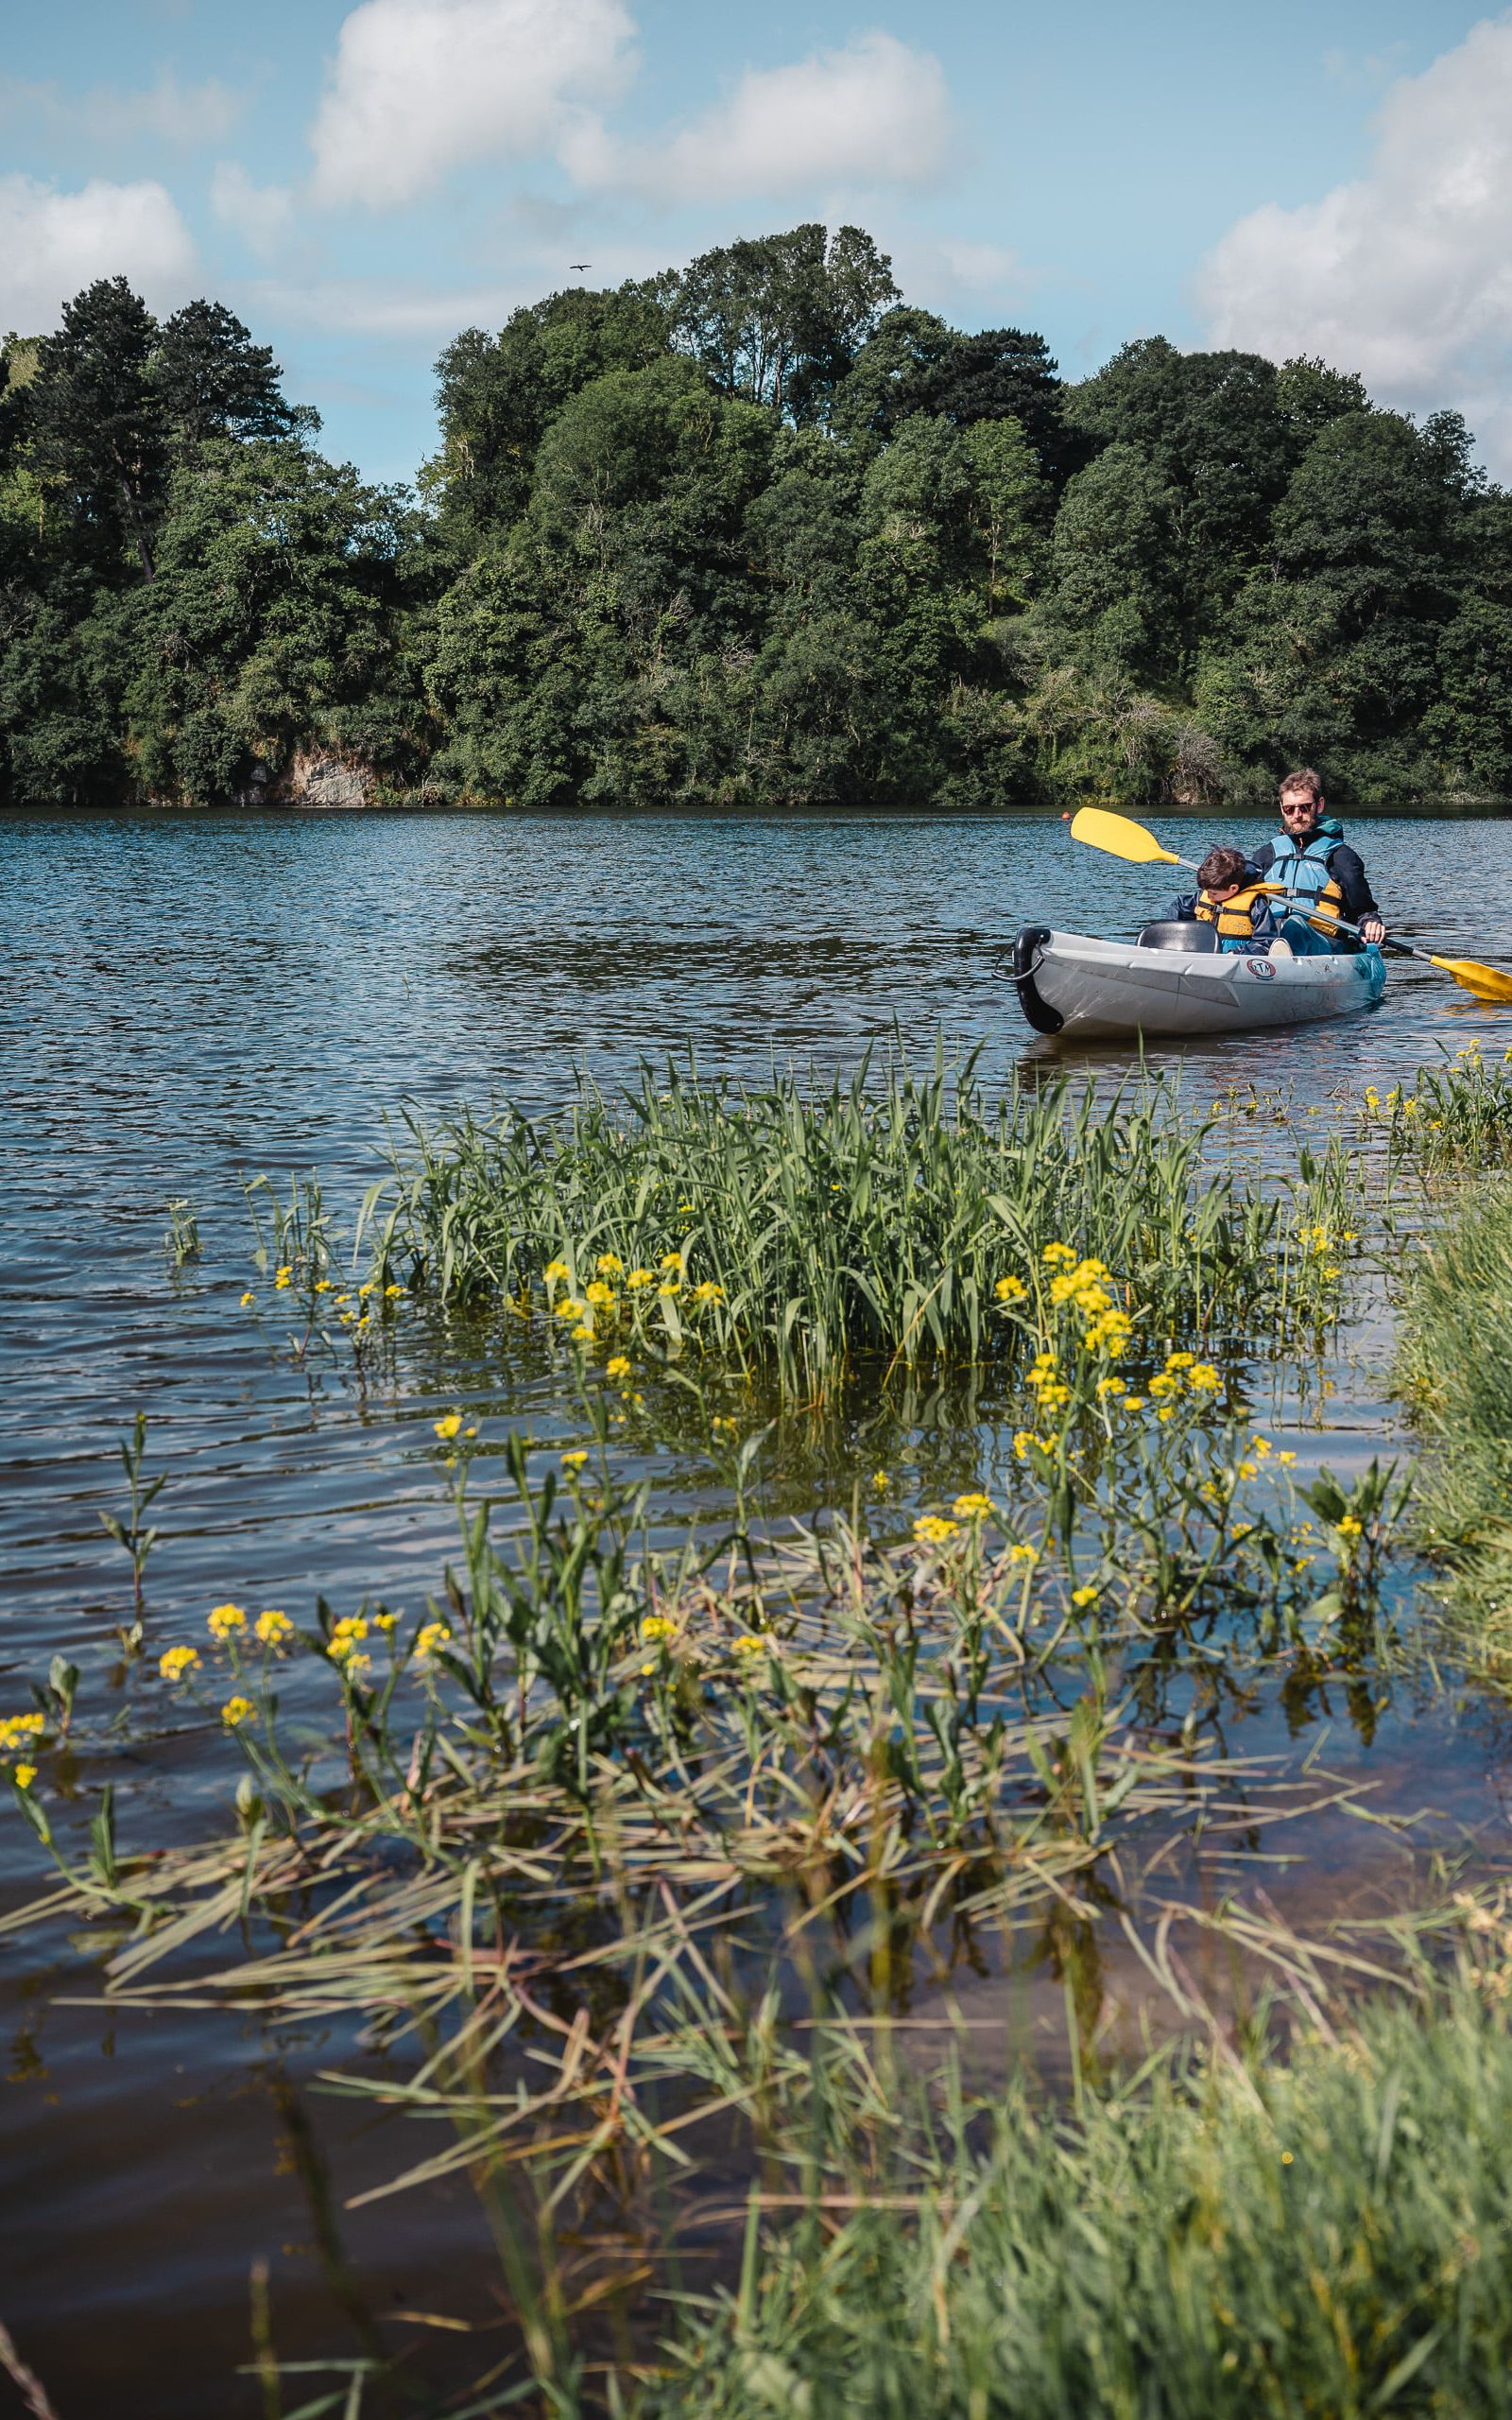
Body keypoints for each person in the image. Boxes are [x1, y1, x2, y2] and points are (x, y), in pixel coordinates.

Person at [1244, 769, 1385, 957]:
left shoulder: (1340, 856)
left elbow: (1362, 909)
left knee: (1294, 926)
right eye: (1289, 809)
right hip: (1269, 937)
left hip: (1323, 942)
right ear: (1282, 809)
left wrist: (1370, 922)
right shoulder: (1267, 854)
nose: (1297, 815)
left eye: (1304, 807)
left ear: (1319, 805)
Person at [1159, 844, 1287, 953]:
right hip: (1202, 955)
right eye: (1206, 891)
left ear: (1233, 888)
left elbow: (1265, 942)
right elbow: (1179, 906)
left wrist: (1238, 953)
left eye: (1213, 893)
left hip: (1236, 960)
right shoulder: (1202, 897)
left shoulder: (1255, 906)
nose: (1208, 897)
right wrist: (1172, 935)